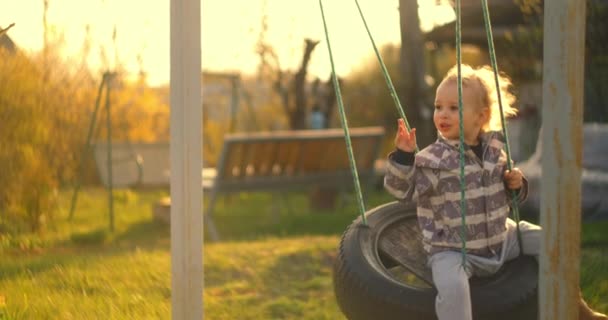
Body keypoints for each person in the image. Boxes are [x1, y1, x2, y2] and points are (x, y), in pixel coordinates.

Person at [384, 64, 607, 320]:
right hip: (454, 249)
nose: (442, 114)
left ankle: (577, 308)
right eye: (438, 106)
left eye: (454, 108)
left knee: (552, 242)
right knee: (453, 289)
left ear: (481, 116)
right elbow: (401, 191)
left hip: (502, 238)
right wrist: (403, 156)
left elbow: (509, 195)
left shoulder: (495, 152)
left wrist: (516, 183)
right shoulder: (431, 159)